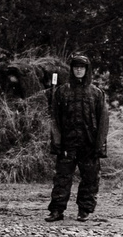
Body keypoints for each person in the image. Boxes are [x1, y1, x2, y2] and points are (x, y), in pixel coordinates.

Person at [47, 52, 109, 222]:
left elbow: (103, 121)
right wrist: (57, 142)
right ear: (72, 70)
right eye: (76, 68)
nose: (79, 71)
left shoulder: (96, 93)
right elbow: (55, 120)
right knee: (62, 178)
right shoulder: (61, 92)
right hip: (68, 144)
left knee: (90, 179)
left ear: (87, 70)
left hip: (88, 144)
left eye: (82, 68)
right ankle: (57, 211)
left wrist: (99, 145)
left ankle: (84, 210)